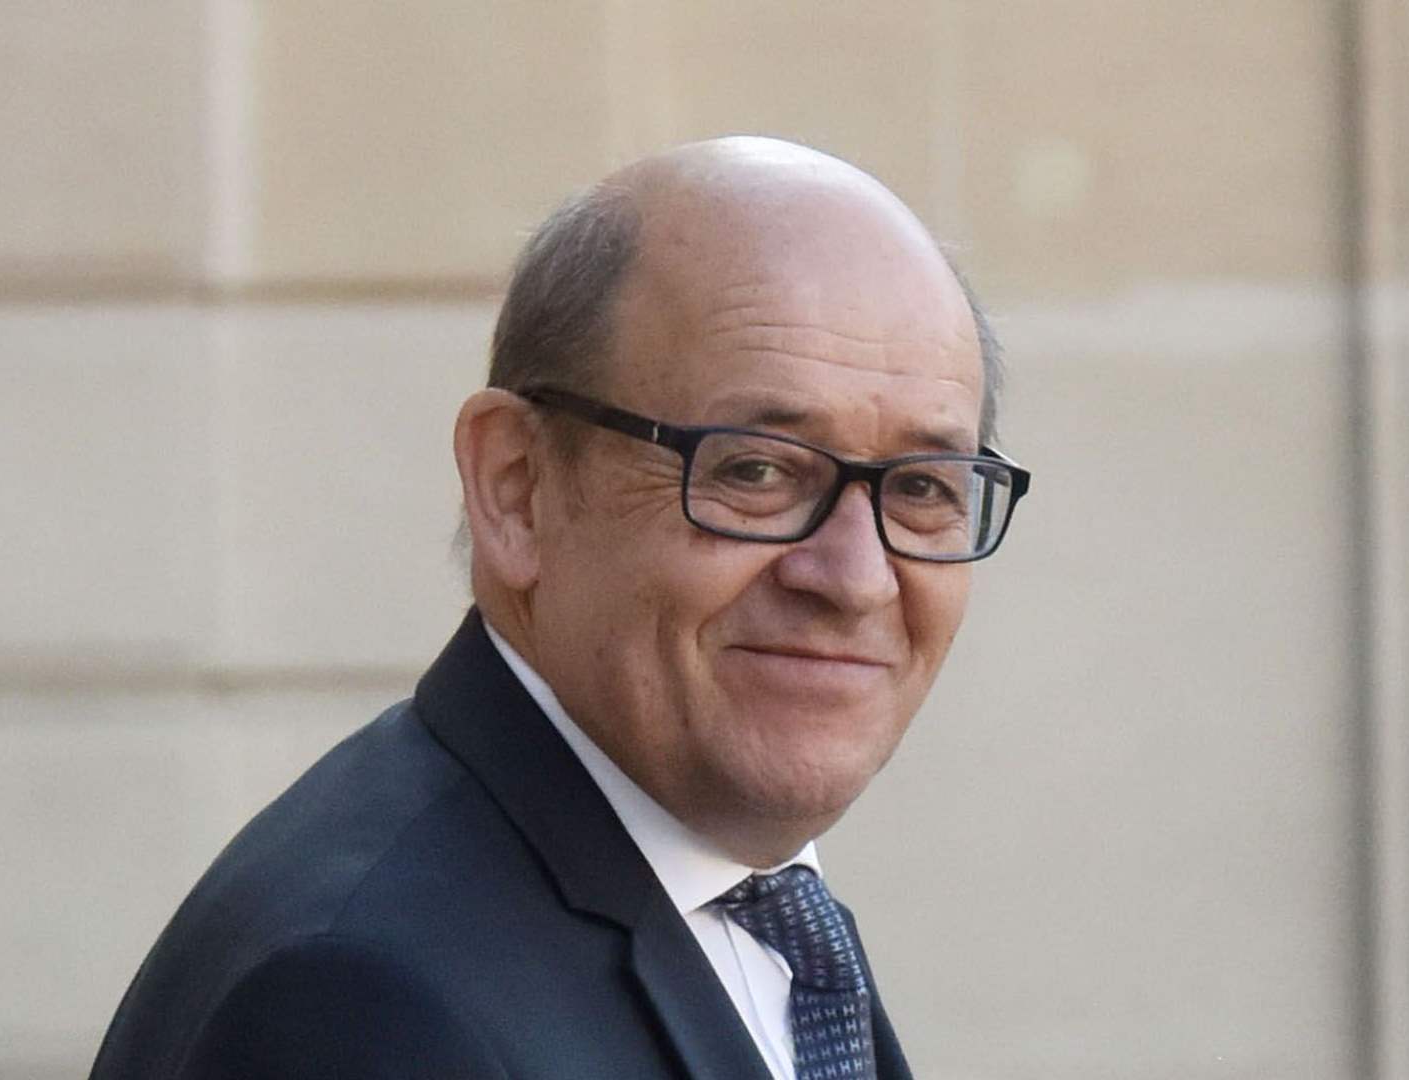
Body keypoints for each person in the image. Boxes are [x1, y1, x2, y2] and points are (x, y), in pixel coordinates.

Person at [90, 136, 1029, 1080]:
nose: (857, 579)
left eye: (923, 487)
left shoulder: (761, 918)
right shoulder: (360, 1003)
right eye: (755, 471)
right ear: (517, 488)